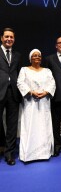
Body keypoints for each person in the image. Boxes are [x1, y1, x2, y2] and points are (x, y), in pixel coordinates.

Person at [17, 49, 56, 163]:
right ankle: (29, 154)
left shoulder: (47, 71)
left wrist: (46, 92)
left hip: (44, 103)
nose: (37, 57)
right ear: (30, 58)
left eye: (39, 55)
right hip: (30, 103)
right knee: (30, 126)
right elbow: (20, 82)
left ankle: (44, 153)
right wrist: (31, 92)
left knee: (44, 126)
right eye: (34, 55)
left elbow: (52, 83)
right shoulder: (24, 70)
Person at [0, 27, 23, 166]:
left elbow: (20, 75)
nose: (9, 39)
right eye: (6, 37)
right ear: (1, 38)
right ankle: (1, 144)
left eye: (11, 37)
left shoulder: (18, 55)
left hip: (13, 93)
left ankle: (9, 153)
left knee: (12, 125)